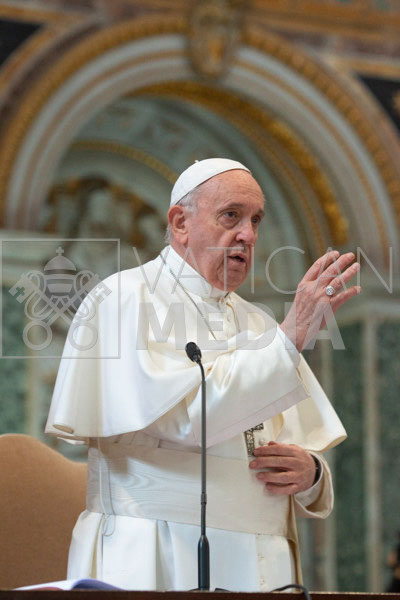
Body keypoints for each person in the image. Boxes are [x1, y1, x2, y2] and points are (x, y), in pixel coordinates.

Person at [46, 158, 360, 591]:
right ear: (180, 223)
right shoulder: (123, 298)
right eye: (231, 215)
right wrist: (289, 338)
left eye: (255, 220)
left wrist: (310, 474)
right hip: (154, 551)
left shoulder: (258, 323)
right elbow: (189, 422)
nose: (248, 235)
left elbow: (302, 450)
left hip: (262, 561)